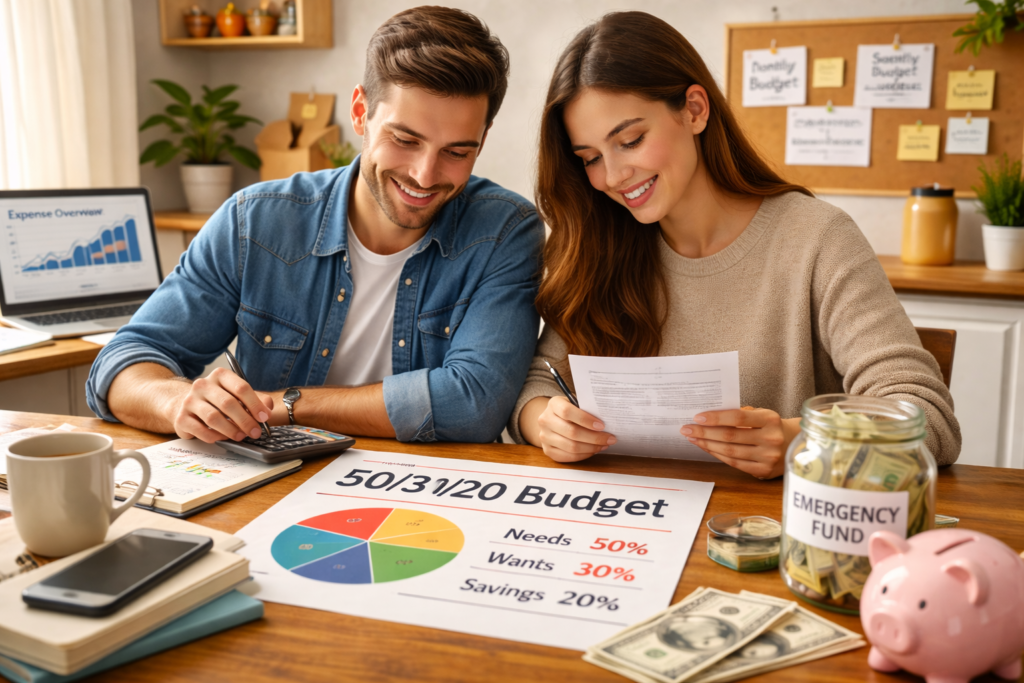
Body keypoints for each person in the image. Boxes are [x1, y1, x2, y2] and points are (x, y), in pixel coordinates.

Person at [509, 11, 960, 477]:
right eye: (590, 158)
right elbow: (538, 382)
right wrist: (546, 422)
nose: (613, 176)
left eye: (631, 140)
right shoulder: (600, 245)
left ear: (695, 110)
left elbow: (928, 418)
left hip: (781, 533)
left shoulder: (816, 239)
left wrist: (803, 443)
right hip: (639, 525)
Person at [87, 7, 543, 444]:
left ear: (481, 141)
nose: (425, 175)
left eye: (457, 152)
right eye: (405, 140)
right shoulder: (255, 221)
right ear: (361, 111)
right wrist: (178, 402)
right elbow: (123, 364)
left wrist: (283, 405)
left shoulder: (505, 231)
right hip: (272, 488)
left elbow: (475, 404)